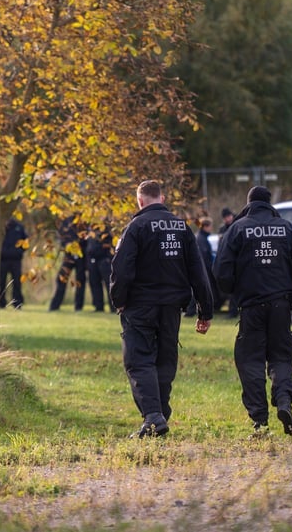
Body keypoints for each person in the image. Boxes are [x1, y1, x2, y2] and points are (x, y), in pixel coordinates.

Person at [110, 180, 214, 438]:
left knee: (139, 360)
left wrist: (118, 300)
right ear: (162, 198)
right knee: (165, 360)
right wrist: (205, 310)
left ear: (140, 201)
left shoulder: (136, 227)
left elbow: (121, 269)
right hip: (172, 307)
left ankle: (154, 416)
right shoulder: (182, 228)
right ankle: (160, 415)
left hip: (140, 306)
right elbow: (198, 272)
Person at [213, 186, 292, 435]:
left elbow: (221, 272)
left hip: (251, 305)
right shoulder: (287, 228)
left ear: (248, 203)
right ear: (269, 203)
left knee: (250, 360)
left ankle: (260, 420)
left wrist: (236, 290)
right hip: (282, 304)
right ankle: (284, 401)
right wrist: (289, 283)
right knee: (281, 356)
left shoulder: (237, 229)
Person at [48, 217, 86, 311]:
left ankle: (78, 306)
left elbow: (86, 239)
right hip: (68, 256)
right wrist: (67, 246)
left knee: (80, 280)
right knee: (61, 279)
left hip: (81, 256)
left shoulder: (84, 221)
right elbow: (61, 238)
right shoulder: (66, 222)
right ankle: (55, 305)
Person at [185, 217, 217, 317]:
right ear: (205, 227)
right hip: (204, 269)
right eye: (210, 226)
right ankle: (191, 311)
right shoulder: (201, 239)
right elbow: (203, 256)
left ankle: (191, 311)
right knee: (200, 290)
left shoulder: (201, 237)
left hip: (204, 268)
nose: (211, 228)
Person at [0, 217, 27, 309]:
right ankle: (1, 303)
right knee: (1, 282)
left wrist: (20, 251)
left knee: (17, 283)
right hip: (2, 260)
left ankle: (17, 303)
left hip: (16, 260)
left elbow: (26, 242)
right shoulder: (0, 227)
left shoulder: (19, 227)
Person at [85, 225, 114, 312]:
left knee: (109, 284)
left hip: (104, 259)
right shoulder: (90, 228)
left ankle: (113, 307)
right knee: (95, 283)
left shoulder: (105, 227)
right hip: (92, 259)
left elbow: (110, 243)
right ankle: (99, 306)